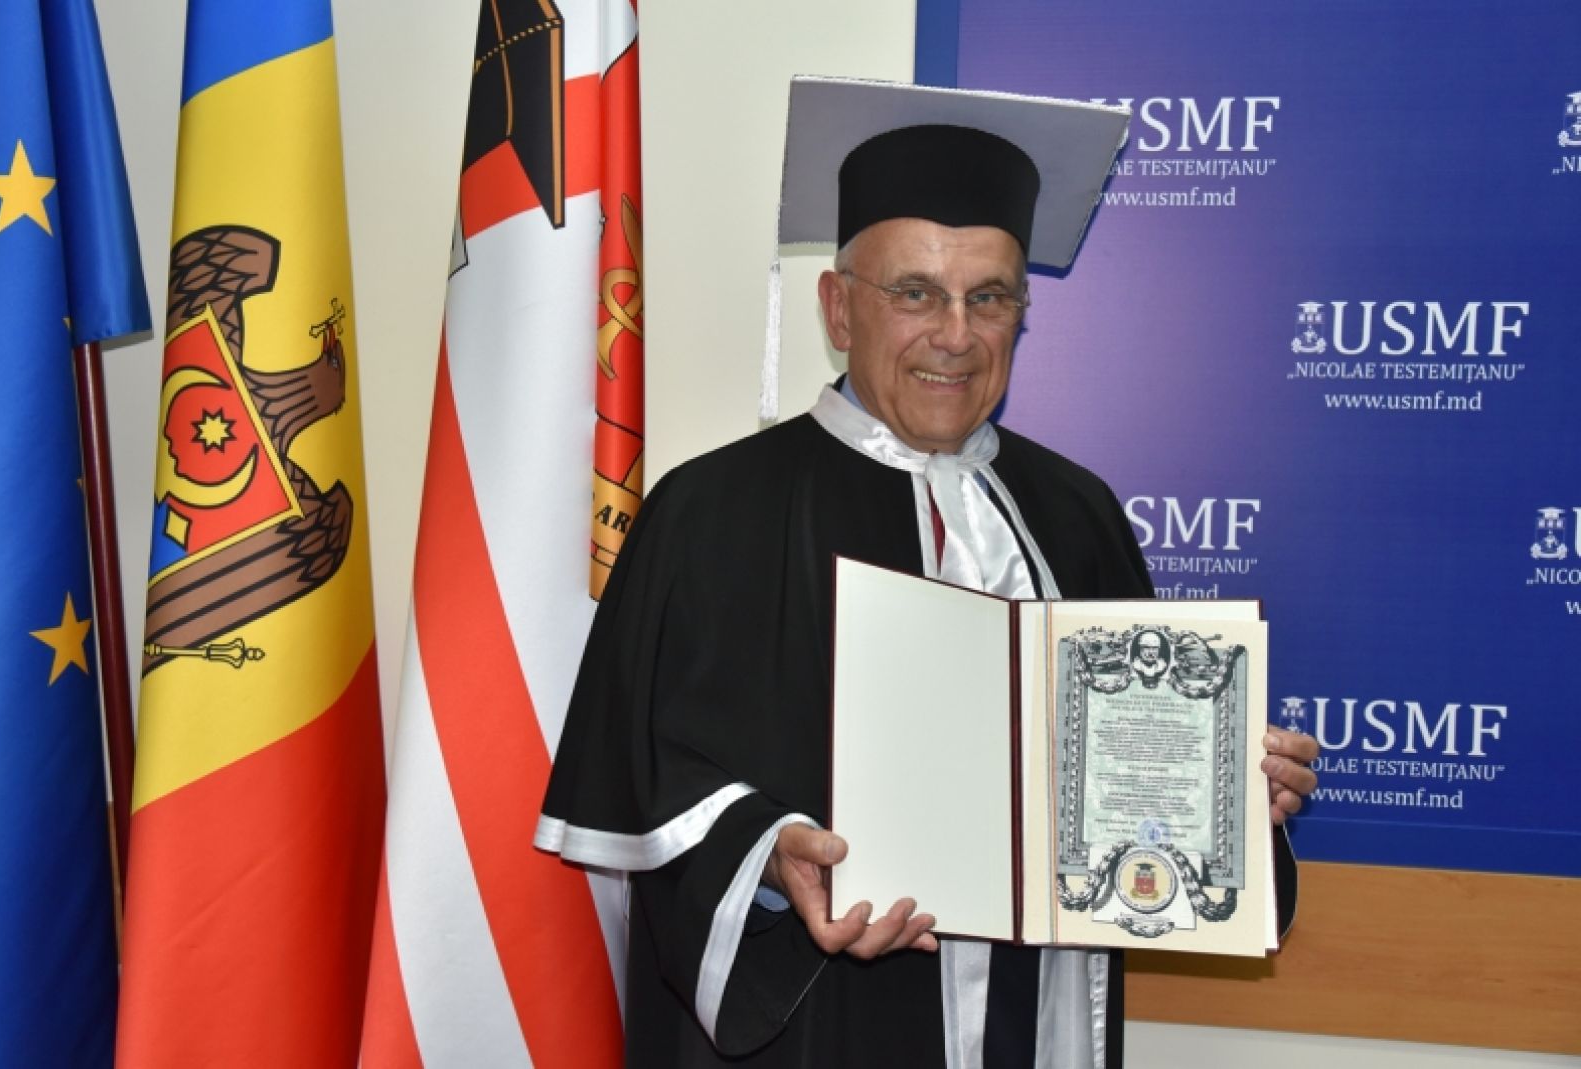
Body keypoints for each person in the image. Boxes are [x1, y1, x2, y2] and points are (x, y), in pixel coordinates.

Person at [536, 78, 1318, 1068]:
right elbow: (640, 785)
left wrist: (1231, 797)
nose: (955, 333)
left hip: (1038, 1019)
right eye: (914, 292)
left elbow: (1131, 797)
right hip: (817, 1028)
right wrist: (769, 858)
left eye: (989, 296)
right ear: (837, 308)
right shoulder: (707, 514)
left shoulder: (1078, 513)